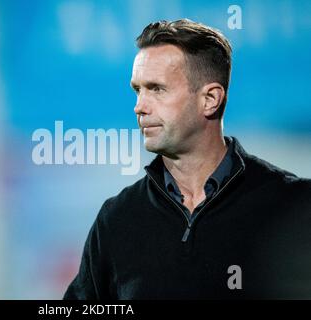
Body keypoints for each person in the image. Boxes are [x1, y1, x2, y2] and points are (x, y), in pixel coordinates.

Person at [63, 19, 311, 299]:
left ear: (210, 99)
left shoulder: (296, 206)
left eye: (156, 89)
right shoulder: (117, 219)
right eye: (138, 90)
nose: (139, 107)